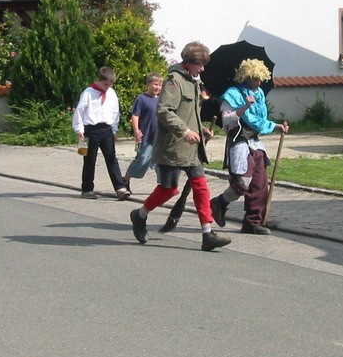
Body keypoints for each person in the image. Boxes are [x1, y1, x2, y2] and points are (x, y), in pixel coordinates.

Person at [129, 42, 231, 251]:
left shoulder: (194, 81)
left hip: (192, 148)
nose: (203, 69)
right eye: (200, 65)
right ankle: (140, 215)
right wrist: (184, 131)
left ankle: (207, 234)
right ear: (189, 63)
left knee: (201, 186)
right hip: (173, 146)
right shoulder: (174, 82)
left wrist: (201, 129)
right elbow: (164, 111)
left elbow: (190, 113)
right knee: (168, 190)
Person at [210, 58, 289, 234]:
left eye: (261, 78)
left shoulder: (258, 93)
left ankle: (253, 222)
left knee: (260, 184)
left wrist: (275, 126)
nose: (259, 82)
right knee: (242, 183)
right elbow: (226, 120)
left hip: (255, 143)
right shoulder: (232, 94)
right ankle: (219, 203)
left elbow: (260, 120)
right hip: (238, 142)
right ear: (245, 76)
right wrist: (244, 107)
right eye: (255, 78)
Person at [72, 66, 131, 200]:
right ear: (99, 80)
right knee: (89, 159)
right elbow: (79, 111)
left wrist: (114, 129)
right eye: (105, 85)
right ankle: (87, 189)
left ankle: (120, 188)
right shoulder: (88, 93)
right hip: (91, 129)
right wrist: (79, 129)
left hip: (106, 129)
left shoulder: (111, 93)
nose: (107, 88)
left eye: (110, 85)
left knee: (111, 158)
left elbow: (115, 112)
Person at [122, 72, 164, 192]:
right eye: (155, 84)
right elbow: (135, 115)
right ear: (148, 84)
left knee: (161, 162)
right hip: (146, 136)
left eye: (160, 85)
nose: (157, 87)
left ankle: (163, 186)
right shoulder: (141, 99)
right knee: (142, 159)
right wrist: (136, 130)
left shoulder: (161, 100)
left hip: (159, 137)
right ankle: (125, 179)